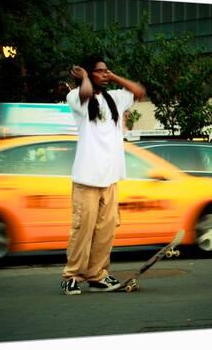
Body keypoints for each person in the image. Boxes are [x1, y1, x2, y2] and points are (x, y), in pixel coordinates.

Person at [62, 55, 146, 295]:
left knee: (105, 231)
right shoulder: (76, 96)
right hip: (86, 179)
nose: (105, 75)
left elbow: (138, 91)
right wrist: (86, 78)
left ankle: (97, 275)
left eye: (106, 71)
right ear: (87, 73)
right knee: (83, 230)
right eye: (100, 71)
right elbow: (86, 92)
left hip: (110, 179)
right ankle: (72, 276)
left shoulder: (115, 99)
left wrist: (114, 75)